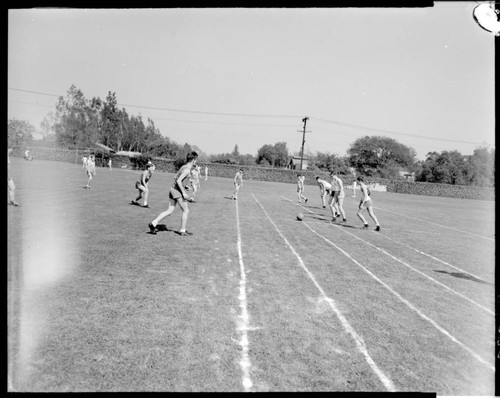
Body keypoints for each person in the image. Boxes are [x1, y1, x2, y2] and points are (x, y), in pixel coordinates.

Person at [148, 151, 198, 236]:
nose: (196, 161)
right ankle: (182, 230)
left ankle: (153, 223)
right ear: (193, 160)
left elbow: (175, 177)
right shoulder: (187, 170)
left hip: (172, 189)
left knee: (170, 210)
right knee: (186, 210)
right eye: (196, 159)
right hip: (177, 191)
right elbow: (178, 180)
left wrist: (184, 186)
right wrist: (183, 192)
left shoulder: (183, 167)